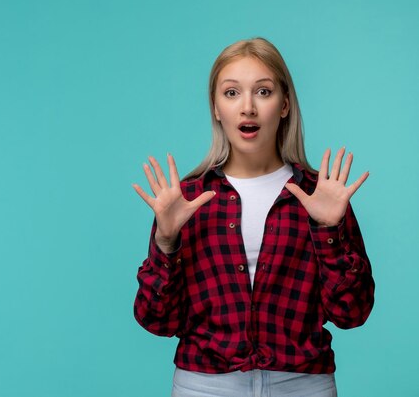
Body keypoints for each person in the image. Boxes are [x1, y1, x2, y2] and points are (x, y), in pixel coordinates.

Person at [131, 37, 375, 397]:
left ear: (284, 105)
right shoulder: (187, 200)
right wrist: (165, 245)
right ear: (216, 108)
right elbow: (158, 320)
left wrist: (328, 231)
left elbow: (351, 313)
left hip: (303, 385)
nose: (248, 107)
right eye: (231, 93)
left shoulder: (319, 195)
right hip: (205, 385)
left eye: (263, 91)